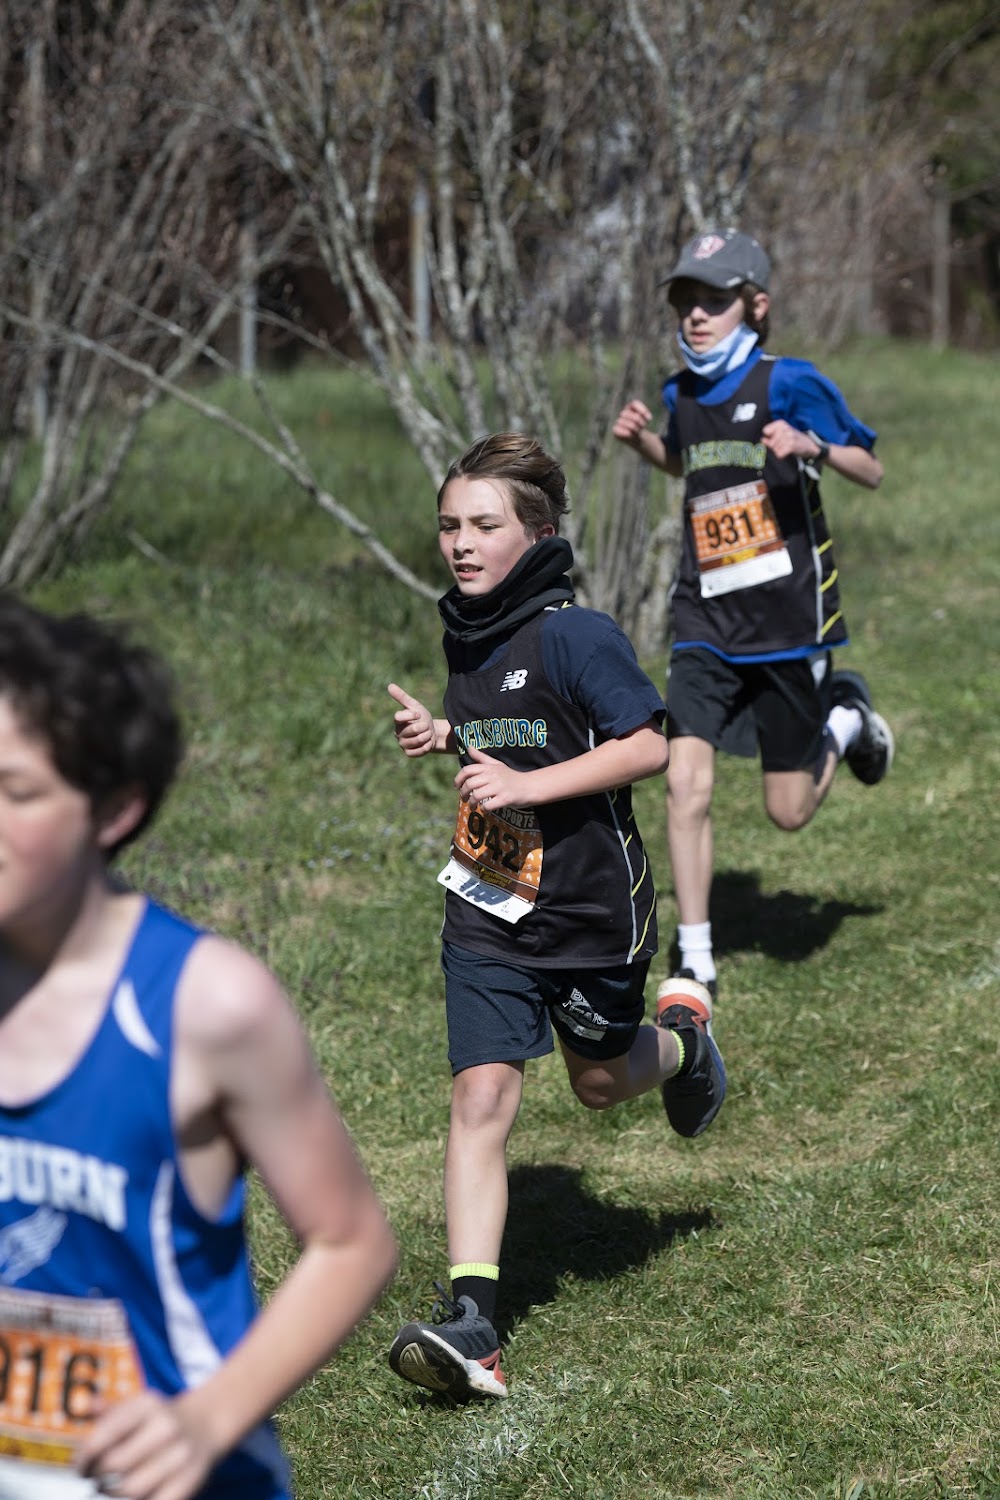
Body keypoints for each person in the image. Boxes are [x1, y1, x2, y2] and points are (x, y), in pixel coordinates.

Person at [0, 595, 397, 1500]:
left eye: (16, 793)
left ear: (114, 810)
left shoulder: (207, 1007)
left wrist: (207, 1420)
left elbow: (353, 1243)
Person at [384, 432, 726, 1402]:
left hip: (588, 911)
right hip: (487, 906)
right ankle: (474, 1325)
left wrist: (527, 783)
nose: (460, 542)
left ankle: (684, 1047)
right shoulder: (466, 628)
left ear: (535, 534)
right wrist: (446, 734)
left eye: (482, 524)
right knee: (480, 1098)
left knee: (600, 1082)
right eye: (448, 525)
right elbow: (507, 729)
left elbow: (647, 745)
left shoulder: (577, 635)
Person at [613, 227, 894, 998]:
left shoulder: (790, 382)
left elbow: (871, 468)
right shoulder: (681, 393)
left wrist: (812, 446)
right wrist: (643, 445)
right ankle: (695, 955)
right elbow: (685, 462)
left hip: (785, 622)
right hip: (704, 618)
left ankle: (845, 716)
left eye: (714, 301)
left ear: (756, 306)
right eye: (685, 301)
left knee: (788, 811)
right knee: (684, 783)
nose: (695, 315)